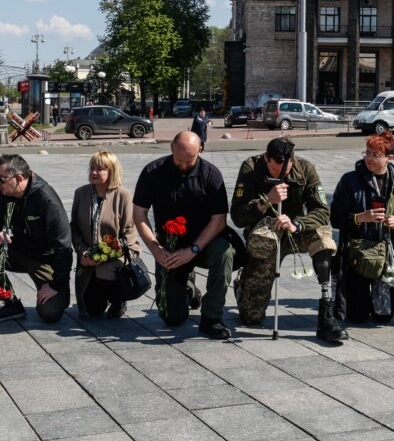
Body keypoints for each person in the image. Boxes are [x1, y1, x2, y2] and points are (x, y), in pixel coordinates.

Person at [230, 137, 347, 342]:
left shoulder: (305, 168)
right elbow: (237, 216)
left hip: (295, 229)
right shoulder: (250, 167)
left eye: (286, 167)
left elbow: (321, 210)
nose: (282, 174)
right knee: (251, 317)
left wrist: (298, 224)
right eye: (276, 170)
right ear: (267, 159)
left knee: (324, 240)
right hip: (266, 235)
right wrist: (266, 201)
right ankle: (243, 284)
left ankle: (326, 313)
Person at [133, 131, 234, 339]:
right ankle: (188, 290)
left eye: (190, 161)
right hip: (169, 244)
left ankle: (211, 317)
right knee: (173, 318)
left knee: (225, 253)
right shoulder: (152, 172)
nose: (184, 165)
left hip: (204, 242)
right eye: (179, 160)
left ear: (201, 151)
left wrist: (193, 250)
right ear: (171, 148)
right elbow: (139, 214)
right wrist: (155, 249)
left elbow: (219, 220)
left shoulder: (210, 174)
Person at [330, 132, 394, 324]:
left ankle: (379, 308)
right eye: (368, 153)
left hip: (389, 253)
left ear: (389, 158)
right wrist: (359, 218)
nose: (369, 158)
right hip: (358, 251)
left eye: (376, 155)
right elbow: (335, 218)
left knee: (384, 316)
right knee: (357, 316)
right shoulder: (350, 181)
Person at [0, 154, 73, 324]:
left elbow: (63, 247)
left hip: (44, 260)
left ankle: (53, 294)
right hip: (16, 252)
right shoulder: (3, 196)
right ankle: (11, 303)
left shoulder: (46, 200)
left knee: (50, 313)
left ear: (19, 178)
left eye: (1, 178)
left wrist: (56, 285)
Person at [71, 150, 140, 319]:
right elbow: (74, 227)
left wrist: (101, 256)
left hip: (115, 257)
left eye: (100, 169)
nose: (94, 172)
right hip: (87, 258)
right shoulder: (81, 193)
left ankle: (118, 299)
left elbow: (128, 234)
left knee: (109, 273)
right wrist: (83, 252)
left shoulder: (124, 195)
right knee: (92, 310)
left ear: (112, 171)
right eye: (92, 168)